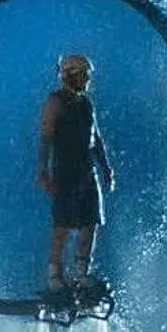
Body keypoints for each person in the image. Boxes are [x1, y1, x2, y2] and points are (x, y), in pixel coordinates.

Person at [38, 52, 113, 292]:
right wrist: (44, 171)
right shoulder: (56, 102)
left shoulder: (85, 104)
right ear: (73, 75)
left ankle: (81, 272)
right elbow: (46, 138)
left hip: (86, 171)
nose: (88, 80)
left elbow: (95, 137)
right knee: (62, 225)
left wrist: (105, 168)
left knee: (90, 222)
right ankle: (54, 275)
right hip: (66, 171)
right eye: (85, 75)